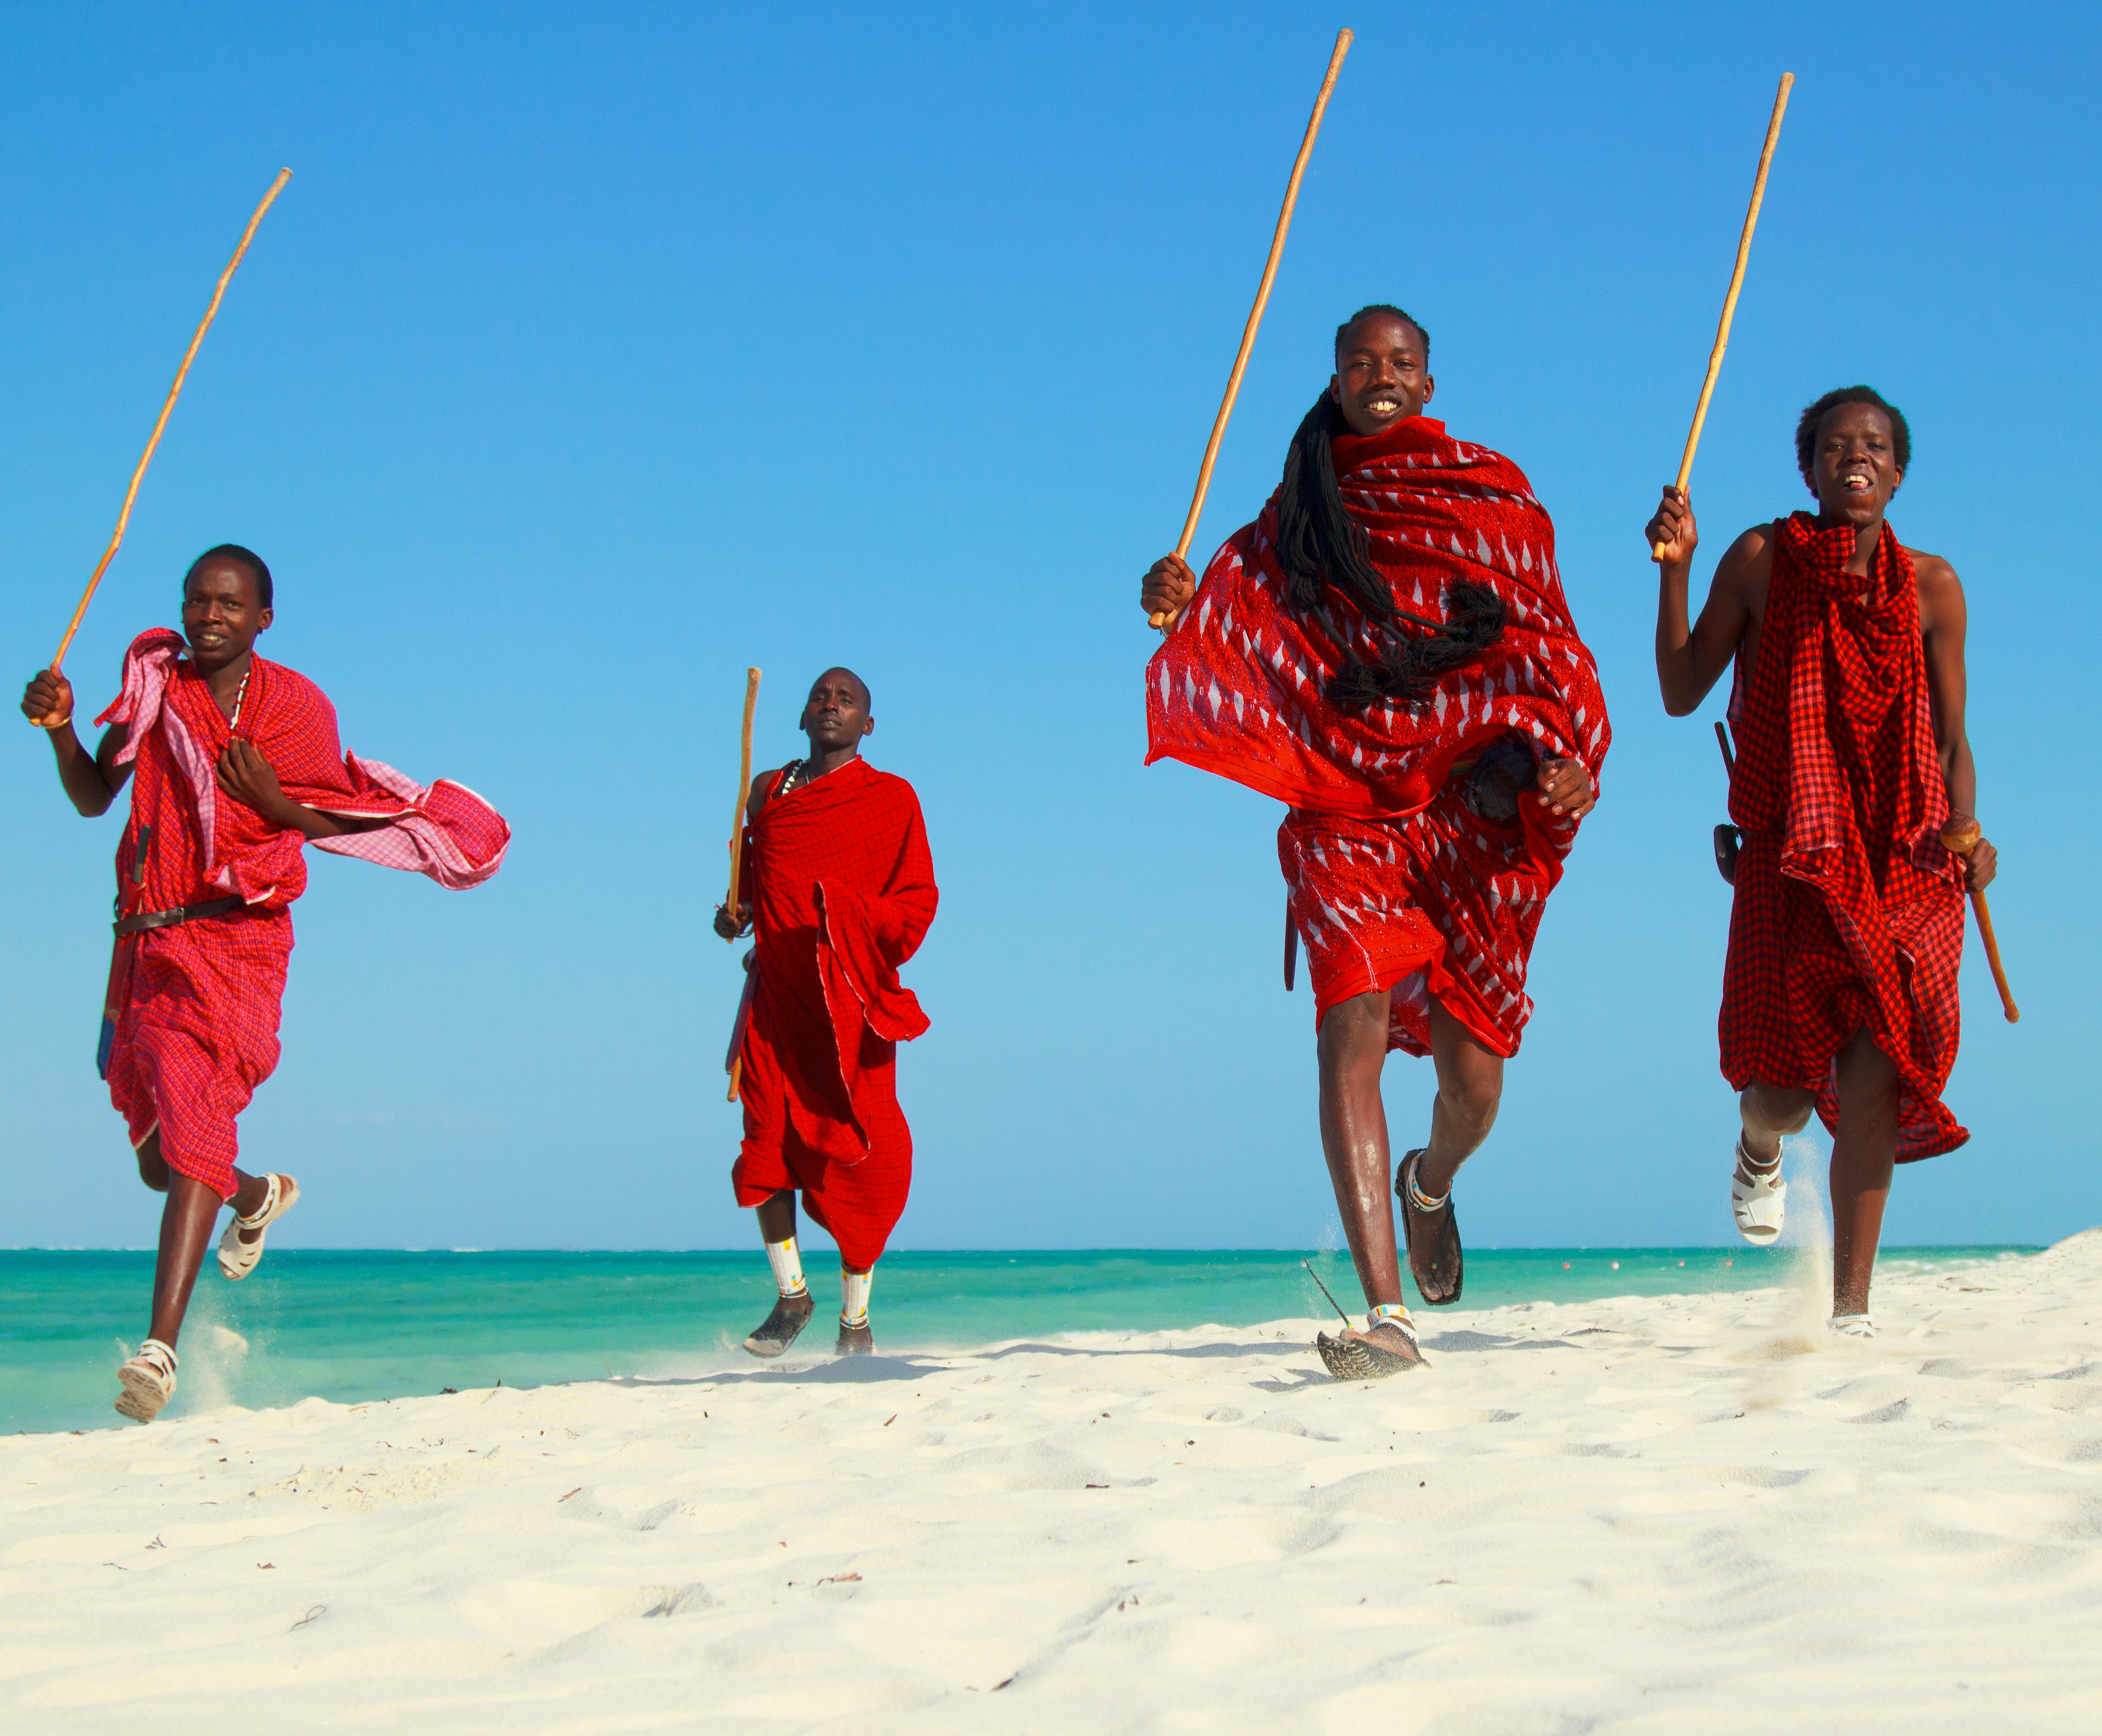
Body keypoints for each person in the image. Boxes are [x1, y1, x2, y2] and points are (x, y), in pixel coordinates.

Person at [1141, 306, 1610, 1379]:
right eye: (1360, 361)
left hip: (1470, 809)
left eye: (1400, 362)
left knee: (1474, 1079)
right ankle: (1388, 1314)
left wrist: (1560, 757)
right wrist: (1181, 600)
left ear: (1430, 382)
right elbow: (1245, 613)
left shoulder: (1491, 495)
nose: (1380, 375)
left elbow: (1548, 653)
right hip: (1346, 798)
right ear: (1337, 378)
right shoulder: (1301, 506)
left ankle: (1431, 1181)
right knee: (1346, 1020)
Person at [21, 545, 510, 1422]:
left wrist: (272, 801)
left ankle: (159, 1353)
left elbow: (340, 815)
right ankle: (255, 1195)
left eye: (229, 604)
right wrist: (59, 725)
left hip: (238, 940)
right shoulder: (155, 691)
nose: (208, 616)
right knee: (157, 1161)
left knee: (196, 1116)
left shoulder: (293, 708)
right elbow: (96, 797)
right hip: (142, 942)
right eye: (196, 601)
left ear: (262, 620)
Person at [1649, 386, 1993, 1336]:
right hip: (1794, 849)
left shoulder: (1934, 586)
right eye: (1837, 445)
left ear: (1899, 469)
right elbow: (1682, 690)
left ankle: (1851, 1307)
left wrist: (1969, 829)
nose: (1857, 458)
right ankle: (1758, 1150)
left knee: (1880, 1059)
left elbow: (1957, 735)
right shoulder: (1763, 560)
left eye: (1876, 446)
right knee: (1786, 1092)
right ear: (1806, 468)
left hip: (1904, 854)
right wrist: (1674, 571)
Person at [713, 668, 937, 1357]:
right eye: (820, 696)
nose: (831, 704)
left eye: (847, 700)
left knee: (866, 1155)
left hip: (851, 1003)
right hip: (778, 1002)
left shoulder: (892, 798)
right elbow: (751, 885)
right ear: (803, 715)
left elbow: (916, 902)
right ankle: (791, 1295)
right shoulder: (769, 791)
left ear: (867, 725)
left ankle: (857, 1320)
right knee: (765, 1145)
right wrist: (733, 915)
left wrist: (845, 911)